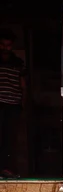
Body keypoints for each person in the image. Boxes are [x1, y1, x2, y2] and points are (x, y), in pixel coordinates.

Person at [0, 29, 26, 178]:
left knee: (9, 138)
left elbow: (23, 86)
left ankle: (7, 169)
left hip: (12, 104)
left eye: (8, 45)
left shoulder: (18, 63)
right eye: (2, 45)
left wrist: (23, 103)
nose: (5, 48)